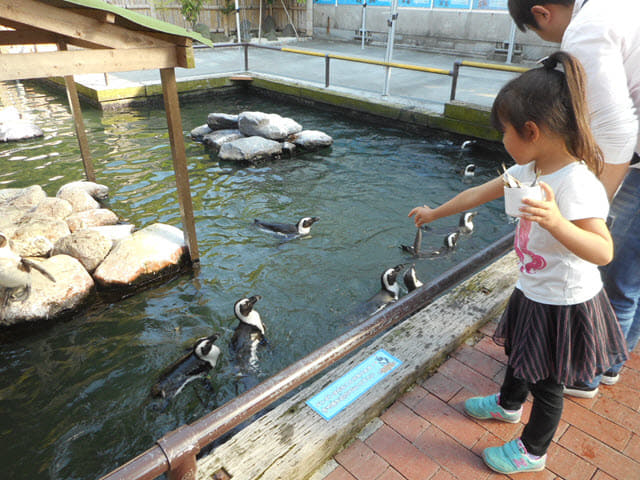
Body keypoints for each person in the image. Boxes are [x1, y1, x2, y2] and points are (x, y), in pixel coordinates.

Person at [408, 51, 627, 475]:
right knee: (520, 355)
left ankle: (533, 451)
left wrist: (557, 222)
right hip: (533, 287)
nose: (501, 140)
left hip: (563, 303)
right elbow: (481, 193)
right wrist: (435, 213)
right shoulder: (531, 168)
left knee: (548, 383)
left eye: (504, 131)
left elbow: (603, 251)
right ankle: (508, 405)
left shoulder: (576, 183)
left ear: (532, 130)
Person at [507, 0, 640, 398]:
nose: (548, 38)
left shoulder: (585, 29)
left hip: (631, 166)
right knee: (633, 275)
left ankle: (588, 373)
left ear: (541, 12)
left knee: (616, 277)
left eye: (539, 30)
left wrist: (585, 212)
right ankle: (614, 362)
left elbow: (617, 136)